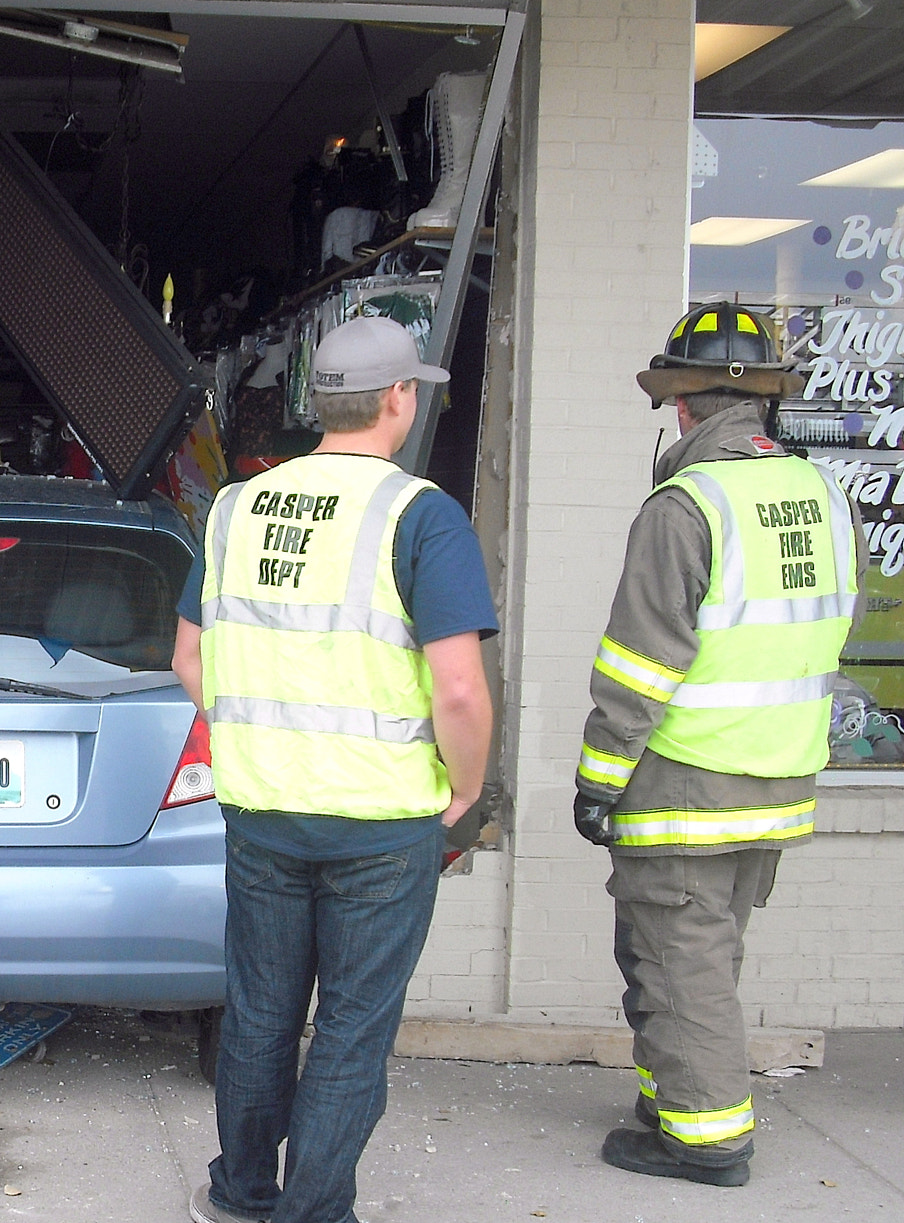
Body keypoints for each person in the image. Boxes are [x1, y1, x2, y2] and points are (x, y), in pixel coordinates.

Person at [172, 315, 496, 1223]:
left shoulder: (237, 507)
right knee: (352, 1024)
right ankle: (312, 1212)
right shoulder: (419, 515)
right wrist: (465, 789)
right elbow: (460, 691)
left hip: (263, 809)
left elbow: (188, 660)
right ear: (400, 398)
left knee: (262, 1011)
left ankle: (240, 1193)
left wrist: (255, 737)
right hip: (383, 823)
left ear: (321, 402)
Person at [573, 303, 858, 1188]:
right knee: (700, 949)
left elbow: (639, 663)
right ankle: (672, 1098)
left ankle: (704, 1139)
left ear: (685, 403)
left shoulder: (687, 504)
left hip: (690, 777)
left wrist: (598, 779)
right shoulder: (817, 494)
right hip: (777, 772)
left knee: (679, 959)